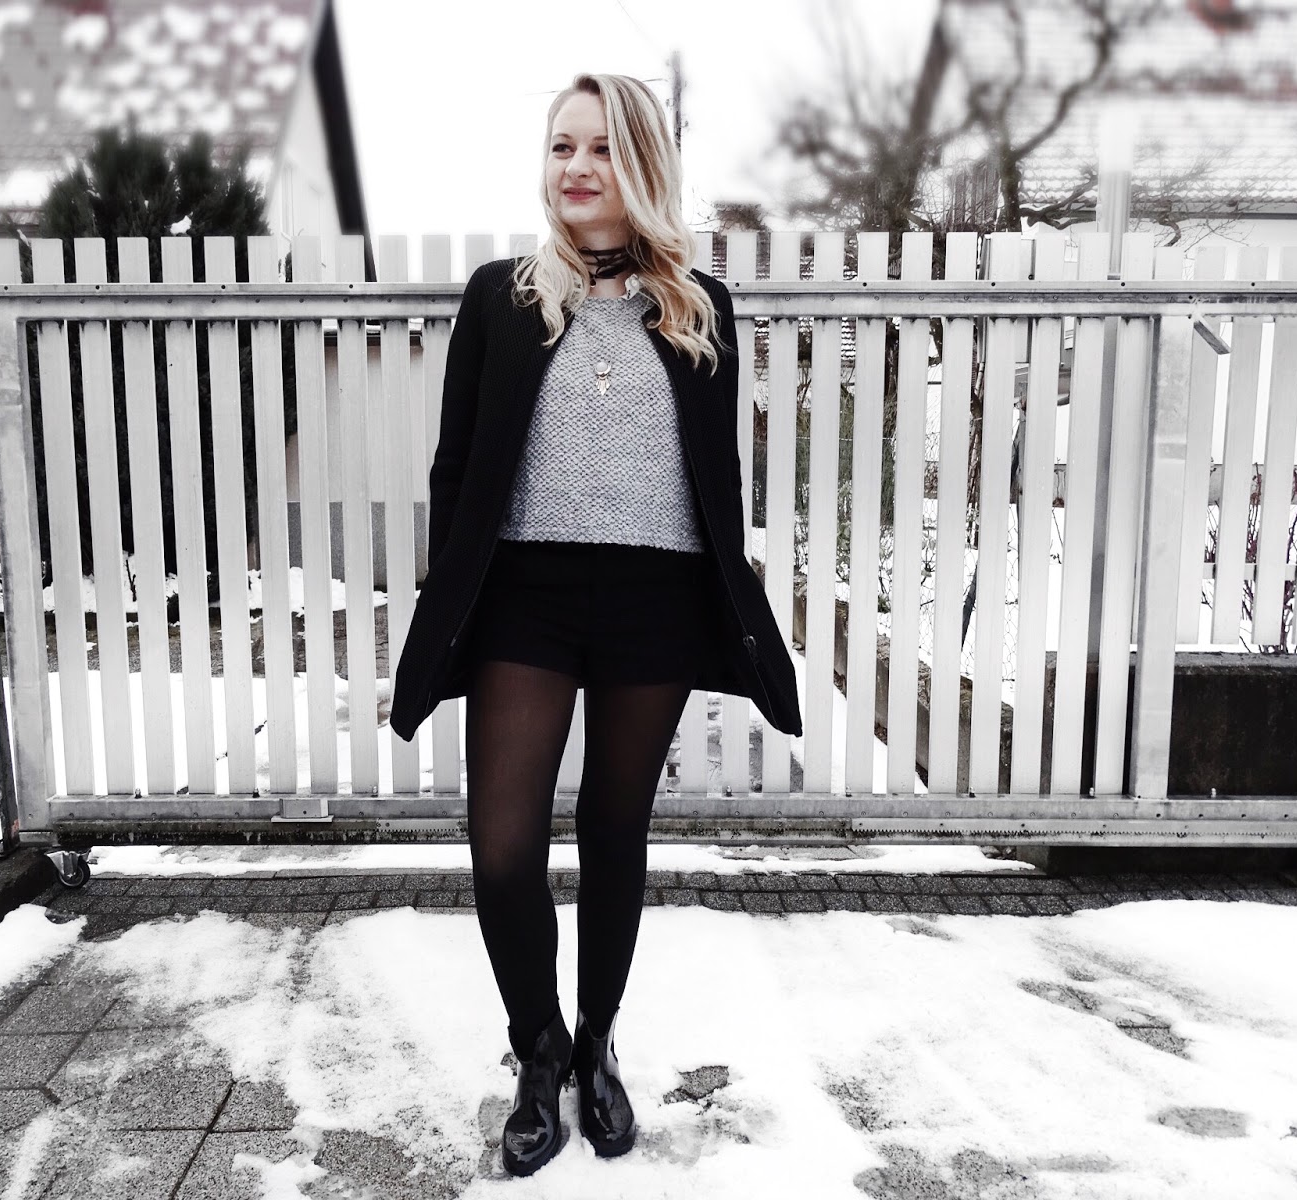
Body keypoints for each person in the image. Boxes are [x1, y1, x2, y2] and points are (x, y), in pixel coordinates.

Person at [387, 72, 803, 1177]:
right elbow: (457, 465)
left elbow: (713, 477)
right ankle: (538, 1050)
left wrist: (728, 598)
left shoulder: (699, 307)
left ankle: (597, 1042)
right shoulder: (502, 297)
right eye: (561, 145)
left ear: (644, 166)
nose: (576, 167)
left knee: (617, 829)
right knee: (502, 846)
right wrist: (451, 596)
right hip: (523, 594)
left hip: (652, 596)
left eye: (602, 148)